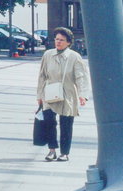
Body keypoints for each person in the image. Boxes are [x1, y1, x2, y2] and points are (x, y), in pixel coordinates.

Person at [37, 27, 89, 162]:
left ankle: (64, 153)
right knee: (49, 122)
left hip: (68, 94)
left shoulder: (74, 57)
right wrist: (39, 95)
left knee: (66, 124)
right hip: (50, 93)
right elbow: (42, 76)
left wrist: (83, 95)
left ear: (68, 42)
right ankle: (52, 150)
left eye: (62, 40)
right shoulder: (48, 55)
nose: (58, 42)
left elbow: (81, 77)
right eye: (57, 39)